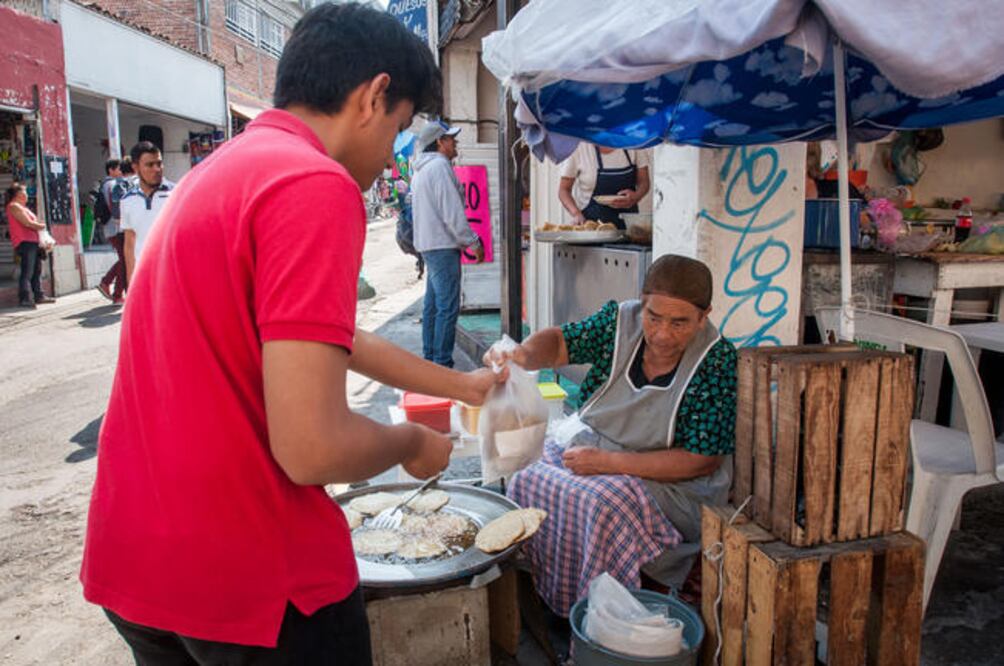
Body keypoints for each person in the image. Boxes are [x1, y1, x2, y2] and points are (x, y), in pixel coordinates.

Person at [81, 5, 503, 664]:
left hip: (139, 557)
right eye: (398, 125)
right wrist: (410, 441)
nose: (392, 151)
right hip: (248, 577)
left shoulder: (223, 172)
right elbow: (312, 447)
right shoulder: (313, 183)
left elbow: (324, 336)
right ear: (372, 97)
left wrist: (461, 384)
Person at [488, 255, 737, 617]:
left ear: (704, 316)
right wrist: (523, 354)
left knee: (598, 502)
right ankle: (544, 591)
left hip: (677, 485)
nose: (663, 334)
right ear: (642, 302)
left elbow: (702, 460)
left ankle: (599, 614)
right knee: (525, 466)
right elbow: (560, 344)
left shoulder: (716, 360)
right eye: (654, 317)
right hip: (602, 447)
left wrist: (609, 463)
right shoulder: (621, 321)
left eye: (680, 323)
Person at [411, 120, 484, 367]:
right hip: (442, 246)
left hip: (429, 245)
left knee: (433, 306)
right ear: (440, 143)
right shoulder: (439, 167)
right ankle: (442, 363)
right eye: (451, 139)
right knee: (447, 307)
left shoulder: (422, 169)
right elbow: (452, 213)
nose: (455, 143)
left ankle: (431, 360)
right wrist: (473, 242)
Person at [558, 142, 651, 229]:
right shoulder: (579, 148)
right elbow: (564, 190)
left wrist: (637, 196)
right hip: (592, 228)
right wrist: (576, 214)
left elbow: (644, 182)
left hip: (629, 228)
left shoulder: (633, 142)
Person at [120, 142, 173, 285]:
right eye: (150, 165)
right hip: (144, 280)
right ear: (135, 167)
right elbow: (129, 244)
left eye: (159, 163)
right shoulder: (127, 201)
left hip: (173, 278)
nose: (157, 169)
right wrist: (131, 285)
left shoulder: (176, 194)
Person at [6, 183, 55, 309]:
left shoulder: (24, 207)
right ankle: (25, 298)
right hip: (25, 242)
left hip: (33, 241)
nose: (27, 194)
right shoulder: (14, 206)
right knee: (27, 271)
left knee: (36, 270)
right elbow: (27, 223)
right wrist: (41, 226)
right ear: (19, 194)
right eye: (25, 192)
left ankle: (39, 295)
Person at [96, 158, 129, 304]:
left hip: (115, 228)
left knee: (124, 260)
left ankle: (111, 287)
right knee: (125, 260)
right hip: (115, 227)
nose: (121, 172)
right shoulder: (111, 184)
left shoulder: (109, 184)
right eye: (118, 169)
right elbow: (114, 206)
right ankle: (114, 291)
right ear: (111, 170)